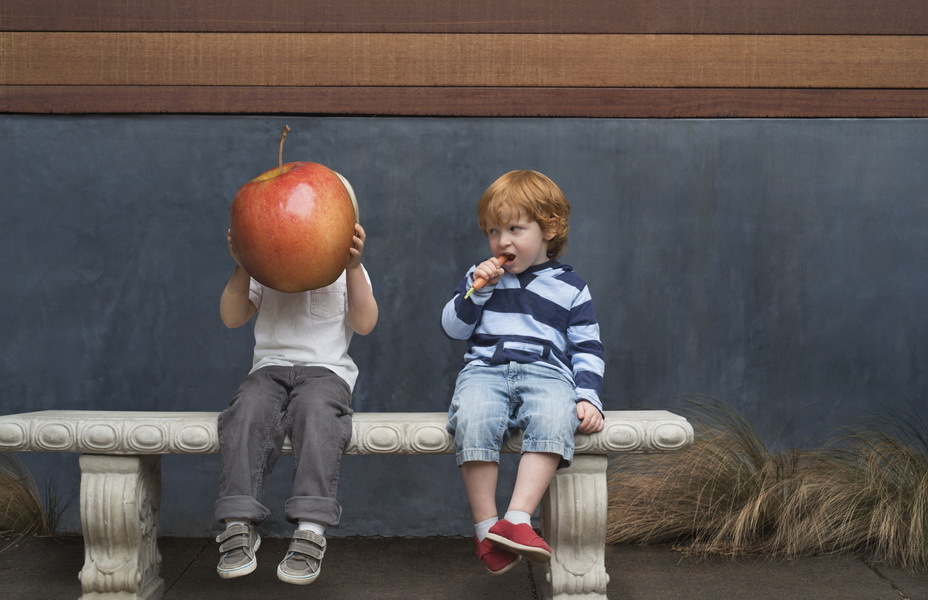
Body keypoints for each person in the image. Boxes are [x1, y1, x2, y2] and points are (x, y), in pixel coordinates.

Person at [213, 175, 378, 585]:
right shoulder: (264, 268)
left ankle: (311, 528)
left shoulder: (347, 271)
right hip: (267, 371)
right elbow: (231, 317)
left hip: (326, 372)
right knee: (244, 413)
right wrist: (244, 262)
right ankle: (237, 521)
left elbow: (366, 322)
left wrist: (353, 269)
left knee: (318, 417)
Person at [441, 169, 605, 575]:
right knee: (474, 418)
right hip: (486, 370)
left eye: (515, 228)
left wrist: (587, 396)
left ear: (550, 228)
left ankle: (516, 519)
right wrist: (476, 291)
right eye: (494, 231)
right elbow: (453, 328)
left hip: (546, 373)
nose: (502, 241)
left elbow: (587, 347)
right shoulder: (481, 280)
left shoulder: (571, 287)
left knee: (555, 414)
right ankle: (485, 528)